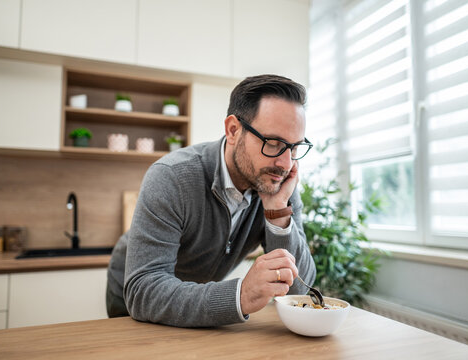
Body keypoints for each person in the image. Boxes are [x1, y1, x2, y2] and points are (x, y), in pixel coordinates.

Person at [106, 74, 316, 327]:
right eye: (273, 144)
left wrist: (277, 213)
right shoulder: (171, 176)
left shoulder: (277, 183)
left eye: (294, 148)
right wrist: (241, 295)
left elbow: (299, 290)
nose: (285, 164)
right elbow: (144, 291)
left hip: (196, 301)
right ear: (233, 130)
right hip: (134, 296)